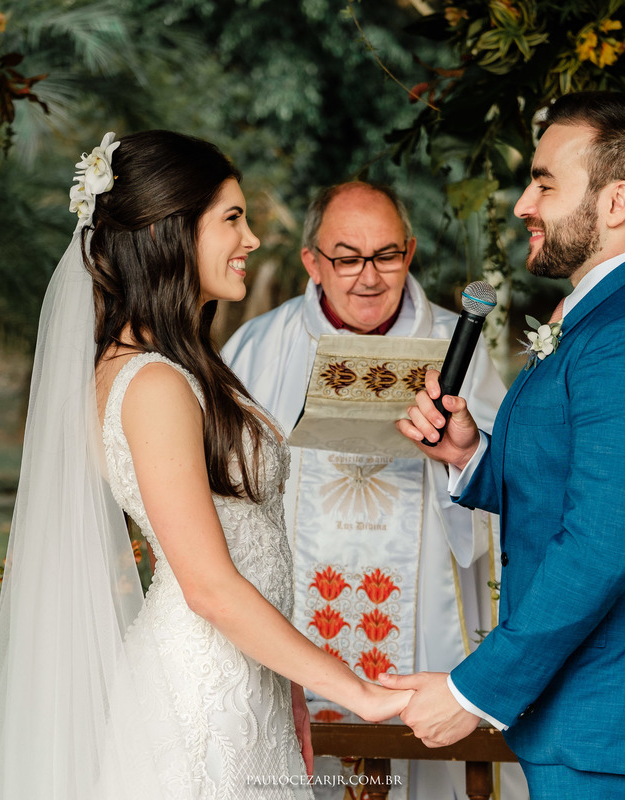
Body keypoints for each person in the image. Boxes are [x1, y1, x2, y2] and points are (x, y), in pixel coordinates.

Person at [0, 131, 410, 800]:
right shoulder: (153, 384)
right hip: (200, 701)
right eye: (232, 218)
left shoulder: (180, 365)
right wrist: (356, 692)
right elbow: (209, 586)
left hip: (247, 682)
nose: (252, 238)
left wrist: (286, 686)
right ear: (171, 233)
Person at [387, 91, 625, 799]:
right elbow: (571, 481)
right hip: (585, 717)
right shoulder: (602, 317)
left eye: (544, 184)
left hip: (614, 718)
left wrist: (473, 691)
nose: (522, 205)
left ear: (616, 201)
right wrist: (470, 455)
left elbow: (599, 546)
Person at [222, 182, 521, 800]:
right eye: (347, 258)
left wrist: (460, 455)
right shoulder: (257, 347)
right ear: (312, 262)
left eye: (386, 255)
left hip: (423, 612)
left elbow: (506, 478)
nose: (369, 277)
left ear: (408, 253)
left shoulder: (458, 346)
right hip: (296, 608)